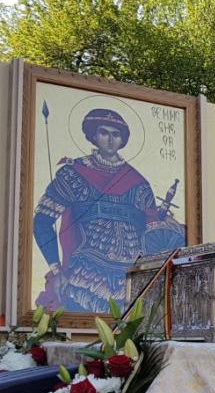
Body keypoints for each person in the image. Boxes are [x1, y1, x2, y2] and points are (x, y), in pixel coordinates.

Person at [33, 108, 184, 312]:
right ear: (93, 136)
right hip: (86, 272)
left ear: (122, 140)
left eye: (116, 134)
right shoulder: (73, 175)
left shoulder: (138, 183)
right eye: (104, 133)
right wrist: (56, 269)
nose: (110, 139)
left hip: (132, 274)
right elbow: (42, 220)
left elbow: (152, 231)